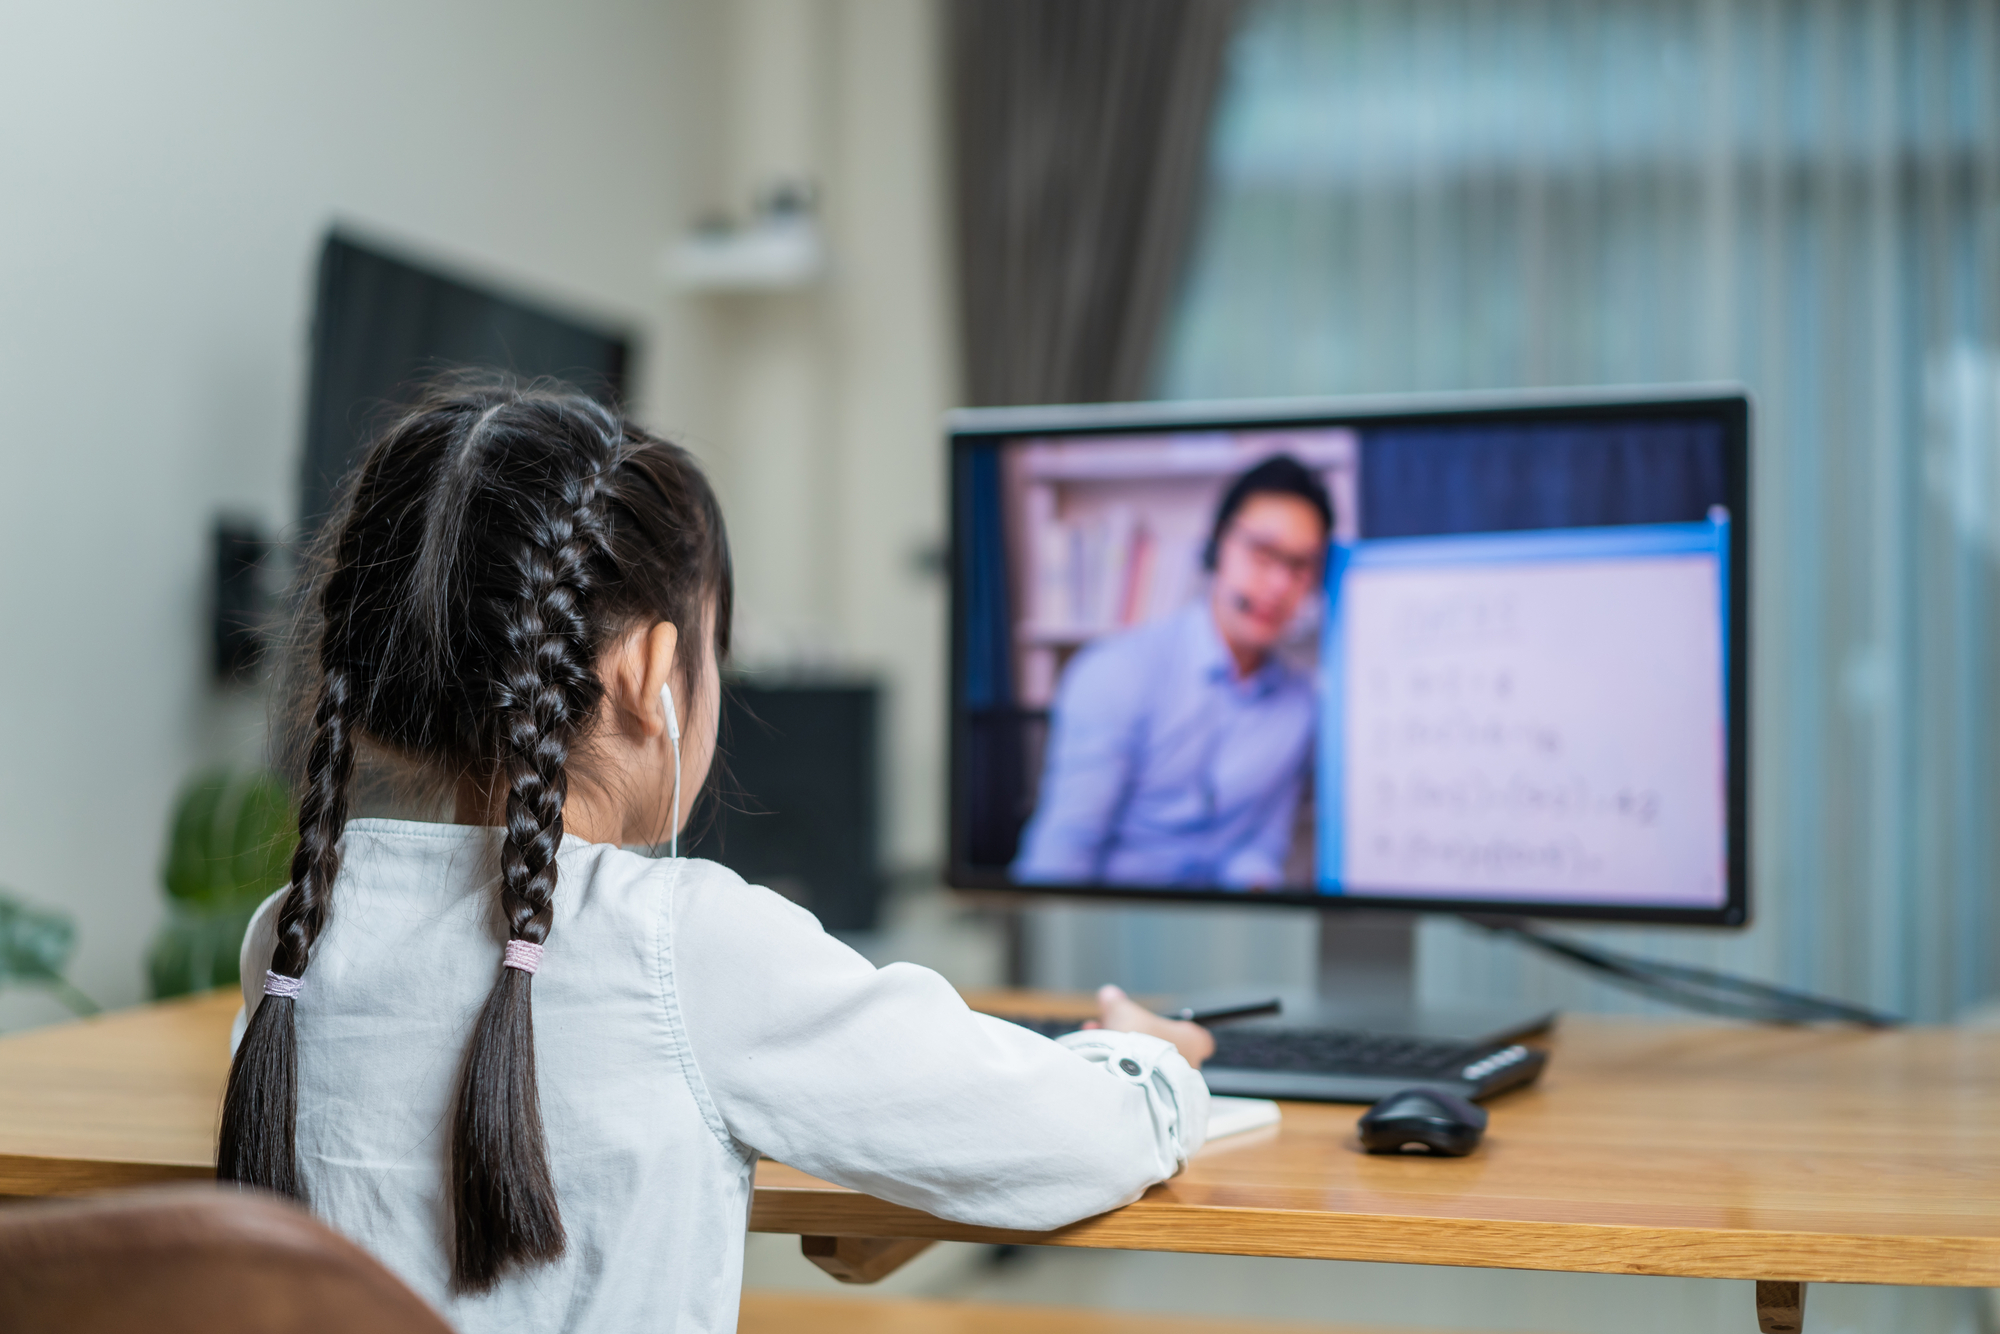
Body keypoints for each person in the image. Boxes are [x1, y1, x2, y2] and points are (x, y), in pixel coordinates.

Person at [219, 384, 1212, 1333]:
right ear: (649, 674)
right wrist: (1142, 1052)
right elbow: (1060, 1140)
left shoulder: (294, 931)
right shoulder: (684, 942)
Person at [1012, 455, 1333, 889]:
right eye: (1263, 552)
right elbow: (1065, 852)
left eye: (1300, 566)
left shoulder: (1301, 705)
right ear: (1217, 544)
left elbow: (1260, 847)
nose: (1279, 585)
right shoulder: (1115, 673)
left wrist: (1257, 882)